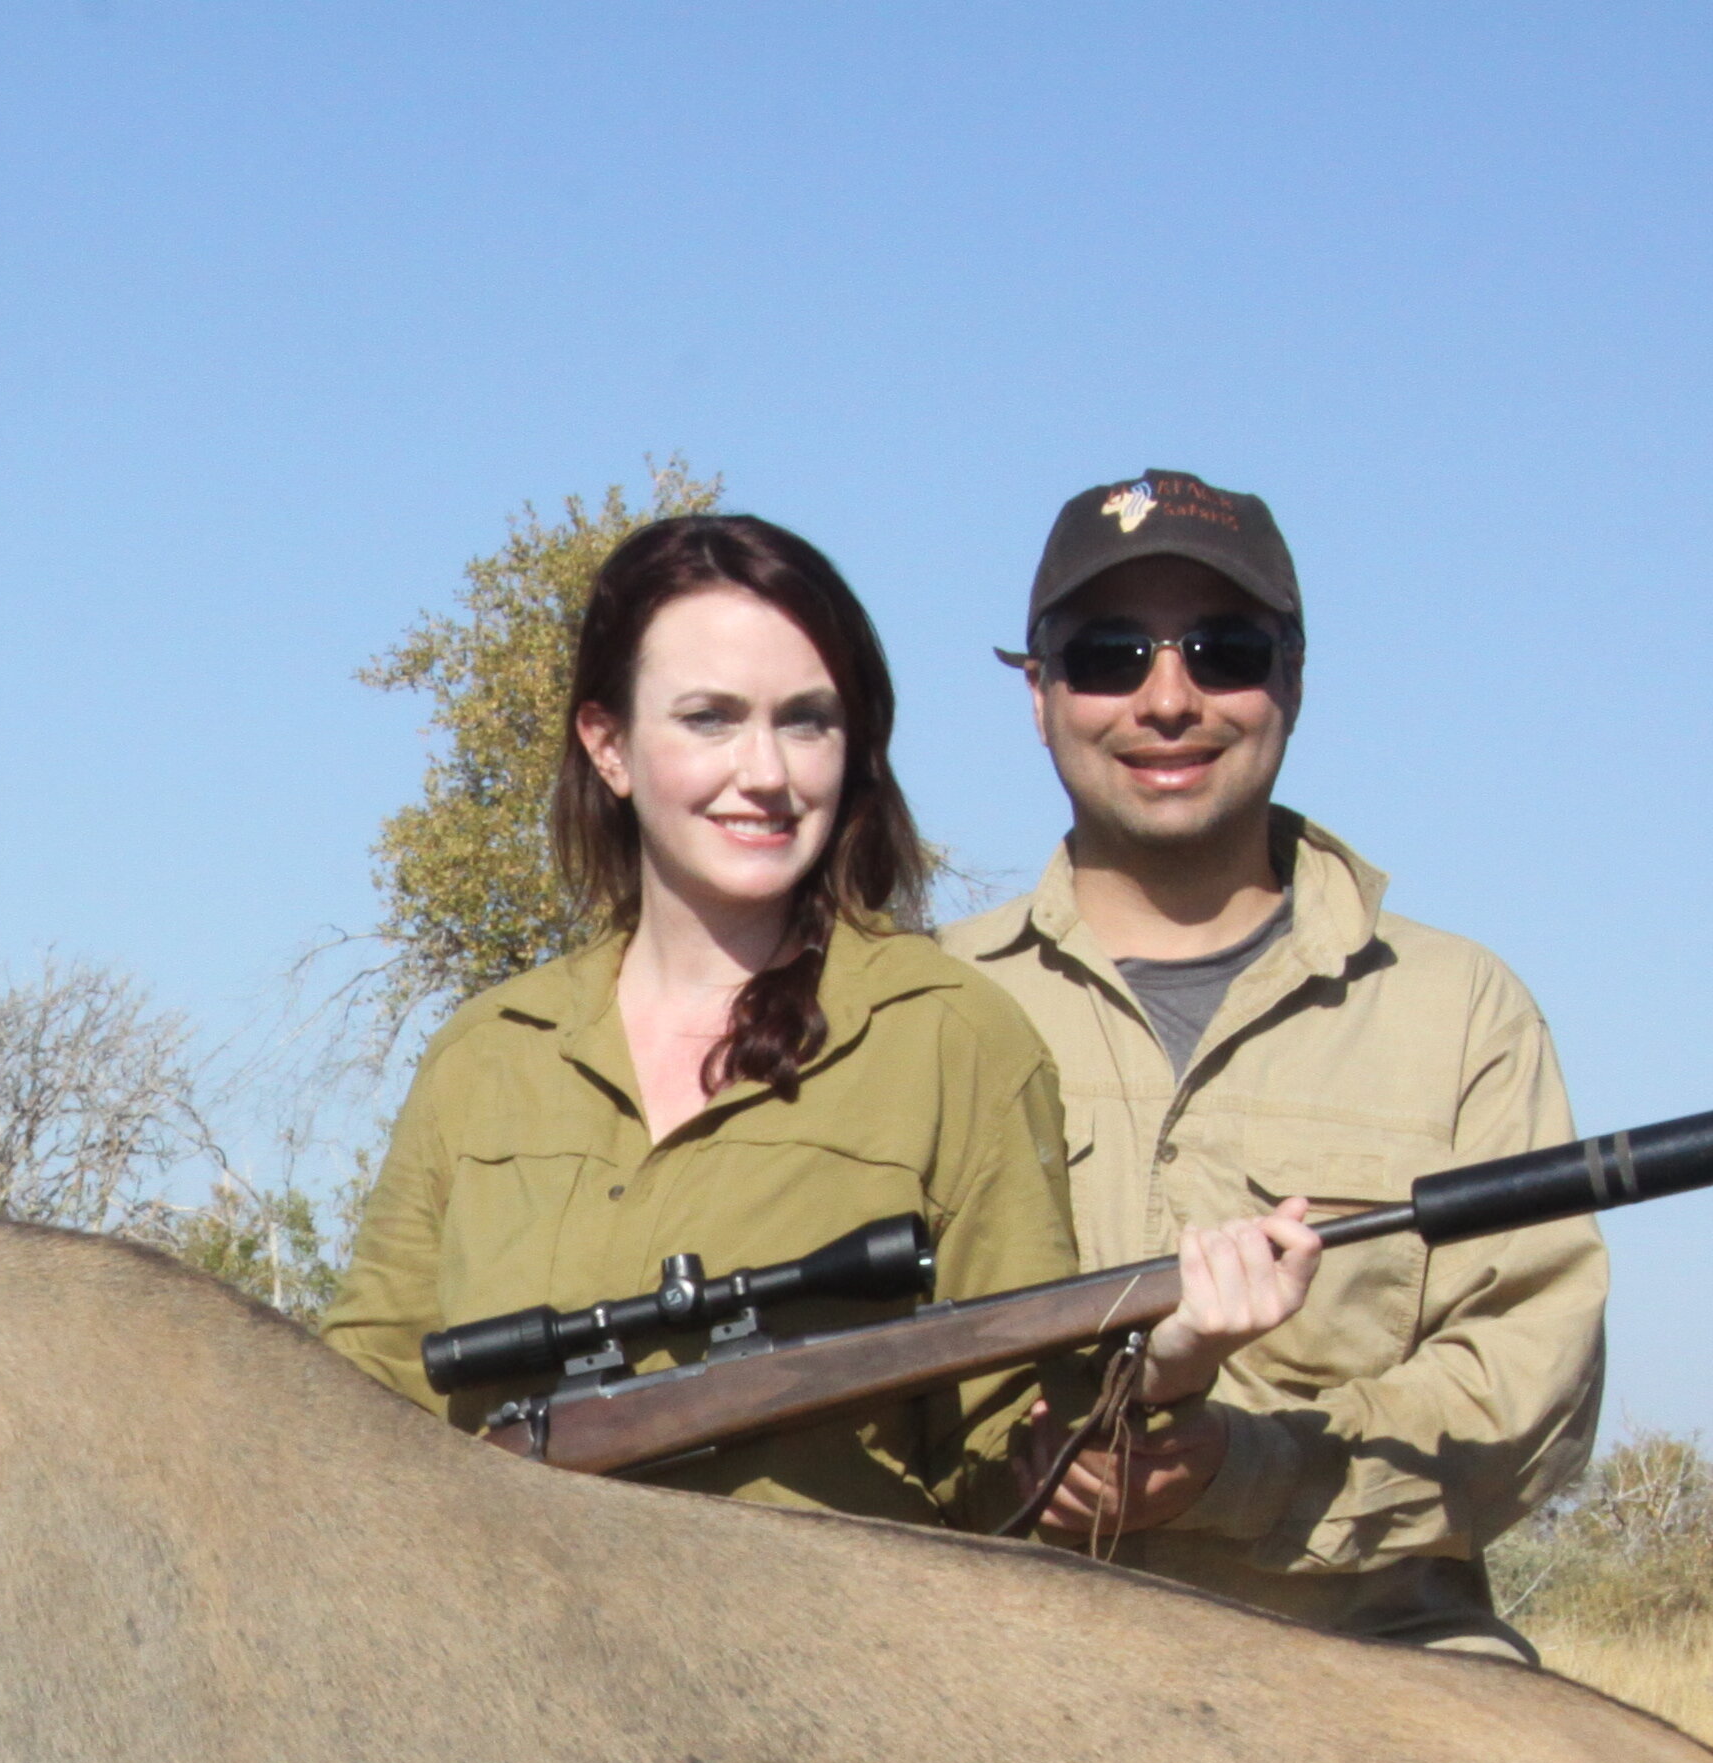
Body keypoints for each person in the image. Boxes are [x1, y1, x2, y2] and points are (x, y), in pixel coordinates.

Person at [323, 511, 1311, 1527]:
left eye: (806, 720)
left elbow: (1014, 1470)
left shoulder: (954, 1038)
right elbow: (357, 1406)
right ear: (609, 746)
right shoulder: (486, 1056)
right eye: (708, 718)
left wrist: (1167, 1380)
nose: (764, 773)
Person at [943, 470, 1605, 1658]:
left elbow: (1527, 1391)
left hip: (1370, 1669)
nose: (1168, 698)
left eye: (1223, 649)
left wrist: (1238, 1475)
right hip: (995, 1661)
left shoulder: (1462, 1013)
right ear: (1038, 696)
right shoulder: (927, 1005)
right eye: (1109, 654)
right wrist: (1029, 1461)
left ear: (1291, 682)